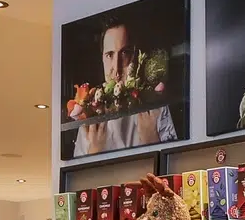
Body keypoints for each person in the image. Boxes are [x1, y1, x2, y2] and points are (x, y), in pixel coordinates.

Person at [71, 21, 179, 156]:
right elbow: (79, 175)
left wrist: (152, 140)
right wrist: (94, 151)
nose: (116, 68)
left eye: (124, 53)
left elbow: (173, 166)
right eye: (109, 55)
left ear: (136, 56)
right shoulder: (89, 114)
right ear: (102, 59)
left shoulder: (156, 106)